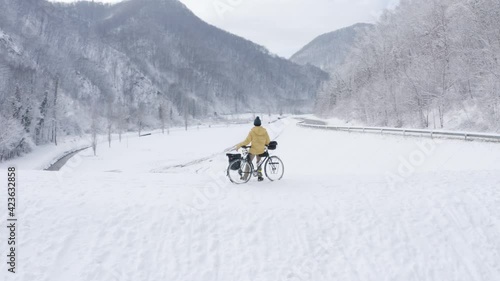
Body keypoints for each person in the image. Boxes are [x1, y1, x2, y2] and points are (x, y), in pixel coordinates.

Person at [235, 116, 271, 181]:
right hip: (261, 150)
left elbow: (247, 141)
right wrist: (264, 144)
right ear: (260, 123)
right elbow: (268, 141)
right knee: (259, 162)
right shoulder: (264, 131)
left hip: (253, 150)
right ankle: (259, 176)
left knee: (248, 162)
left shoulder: (252, 132)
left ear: (254, 124)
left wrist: (239, 145)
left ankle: (245, 177)